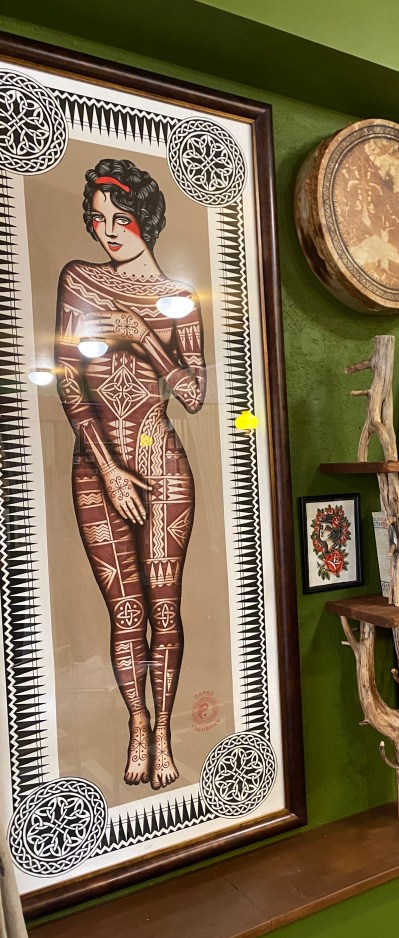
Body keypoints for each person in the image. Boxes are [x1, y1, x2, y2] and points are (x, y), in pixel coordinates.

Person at [54, 158, 206, 790]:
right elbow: (67, 379)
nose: (108, 230)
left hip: (163, 464)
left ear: (146, 218)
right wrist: (110, 469)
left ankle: (166, 730)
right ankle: (138, 724)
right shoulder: (79, 279)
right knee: (125, 613)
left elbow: (193, 395)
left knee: (164, 610)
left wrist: (143, 336)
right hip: (96, 468)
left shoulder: (179, 298)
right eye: (98, 218)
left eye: (121, 217)